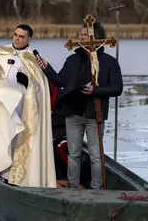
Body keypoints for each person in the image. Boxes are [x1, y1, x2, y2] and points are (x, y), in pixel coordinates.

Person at [0, 15, 57, 188]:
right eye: (15, 34)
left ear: (29, 39)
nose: (17, 38)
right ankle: (2, 174)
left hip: (24, 110)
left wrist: (29, 82)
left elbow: (44, 89)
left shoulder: (34, 60)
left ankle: (23, 178)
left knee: (21, 141)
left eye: (21, 36)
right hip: (1, 109)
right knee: (2, 139)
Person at [37, 20, 123, 189]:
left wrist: (94, 91)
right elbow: (60, 80)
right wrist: (47, 68)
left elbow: (117, 88)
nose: (82, 38)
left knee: (96, 155)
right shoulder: (73, 60)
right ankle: (72, 187)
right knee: (73, 154)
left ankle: (97, 189)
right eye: (81, 35)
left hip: (94, 114)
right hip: (73, 113)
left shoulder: (109, 62)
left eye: (85, 35)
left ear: (96, 37)